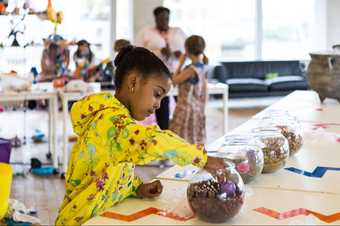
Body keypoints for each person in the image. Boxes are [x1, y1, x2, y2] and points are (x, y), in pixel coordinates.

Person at [55, 46, 225, 225]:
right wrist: (202, 158)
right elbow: (151, 141)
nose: (158, 105)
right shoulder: (110, 121)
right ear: (133, 82)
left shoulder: (117, 120)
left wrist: (136, 188)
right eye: (157, 94)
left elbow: (109, 171)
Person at [136, 6, 186, 130]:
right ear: (156, 19)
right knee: (162, 105)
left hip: (178, 74)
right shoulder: (146, 32)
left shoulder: (178, 31)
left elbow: (189, 49)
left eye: (166, 18)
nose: (164, 21)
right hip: (157, 75)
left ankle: (181, 130)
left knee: (183, 105)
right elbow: (138, 53)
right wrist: (157, 52)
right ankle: (164, 131)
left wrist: (180, 53)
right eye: (161, 18)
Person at [170, 35, 209, 145]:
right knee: (194, 139)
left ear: (186, 49)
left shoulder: (191, 70)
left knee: (181, 140)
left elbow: (173, 81)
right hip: (197, 109)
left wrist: (180, 63)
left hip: (185, 110)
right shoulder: (203, 67)